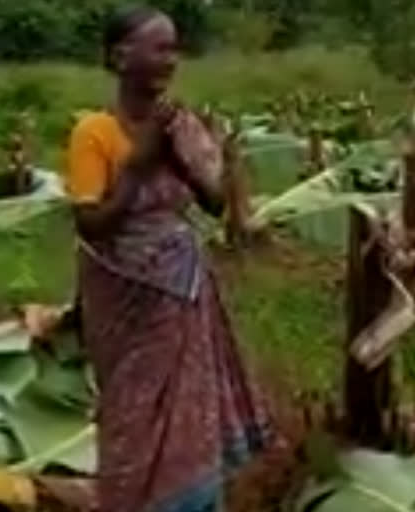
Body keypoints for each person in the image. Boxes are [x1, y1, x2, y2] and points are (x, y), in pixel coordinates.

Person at [65, 5, 273, 512]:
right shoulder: (94, 133)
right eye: (159, 48)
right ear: (120, 57)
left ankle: (194, 501)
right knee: (130, 411)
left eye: (174, 48)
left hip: (181, 292)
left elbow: (217, 203)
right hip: (123, 300)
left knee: (189, 405)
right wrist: (140, 162)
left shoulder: (182, 124)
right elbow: (90, 223)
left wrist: (184, 159)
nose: (170, 60)